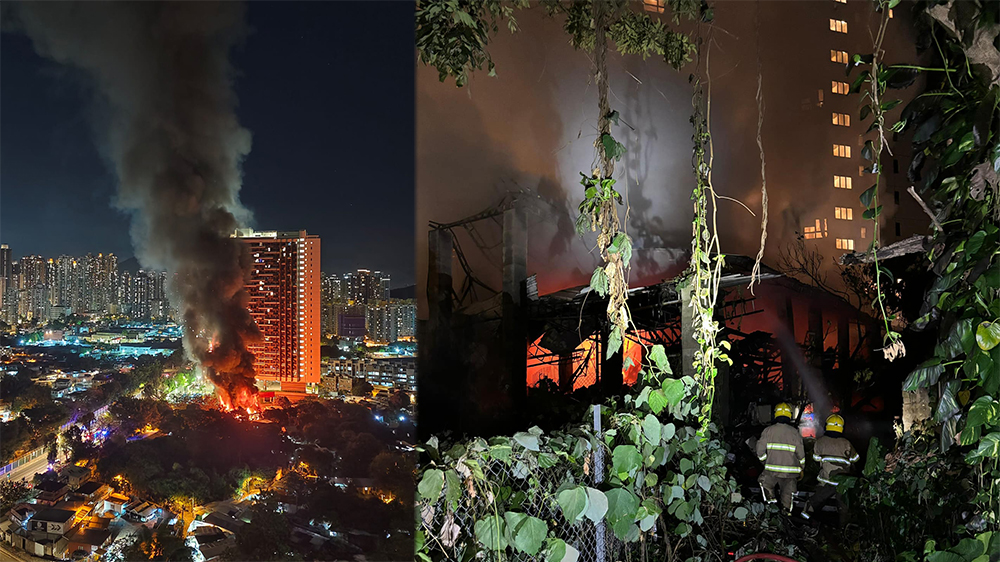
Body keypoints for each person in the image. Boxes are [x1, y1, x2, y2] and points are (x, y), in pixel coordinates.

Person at [801, 413, 859, 524]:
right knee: (844, 508)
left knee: (814, 502)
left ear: (827, 426)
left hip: (826, 481)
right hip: (843, 483)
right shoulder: (846, 443)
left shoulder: (820, 442)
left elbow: (816, 459)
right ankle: (845, 530)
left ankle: (805, 522)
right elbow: (855, 459)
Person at [756, 402, 805, 515]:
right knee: (787, 499)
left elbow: (759, 451)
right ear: (790, 415)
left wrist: (765, 462)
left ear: (775, 415)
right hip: (790, 474)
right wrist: (801, 468)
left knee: (766, 485)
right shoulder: (795, 433)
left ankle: (770, 513)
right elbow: (801, 454)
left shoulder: (768, 431)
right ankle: (786, 518)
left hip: (771, 471)